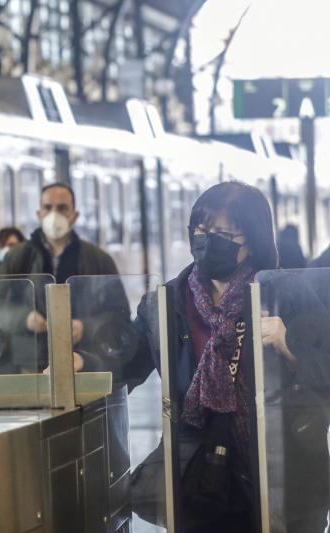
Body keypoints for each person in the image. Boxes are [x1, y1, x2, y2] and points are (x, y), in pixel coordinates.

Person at [101, 181, 330, 532]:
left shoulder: (289, 294)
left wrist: (289, 342)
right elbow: (124, 366)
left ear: (251, 241)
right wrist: (83, 365)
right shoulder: (166, 303)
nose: (208, 241)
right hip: (199, 477)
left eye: (224, 233)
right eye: (202, 230)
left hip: (282, 473)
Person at [0, 183, 121, 366]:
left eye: (62, 208)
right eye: (48, 207)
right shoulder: (18, 257)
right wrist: (24, 318)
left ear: (75, 215)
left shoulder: (99, 260)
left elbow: (120, 314)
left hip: (84, 363)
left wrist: (85, 327)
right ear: (39, 214)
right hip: (28, 364)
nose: (54, 215)